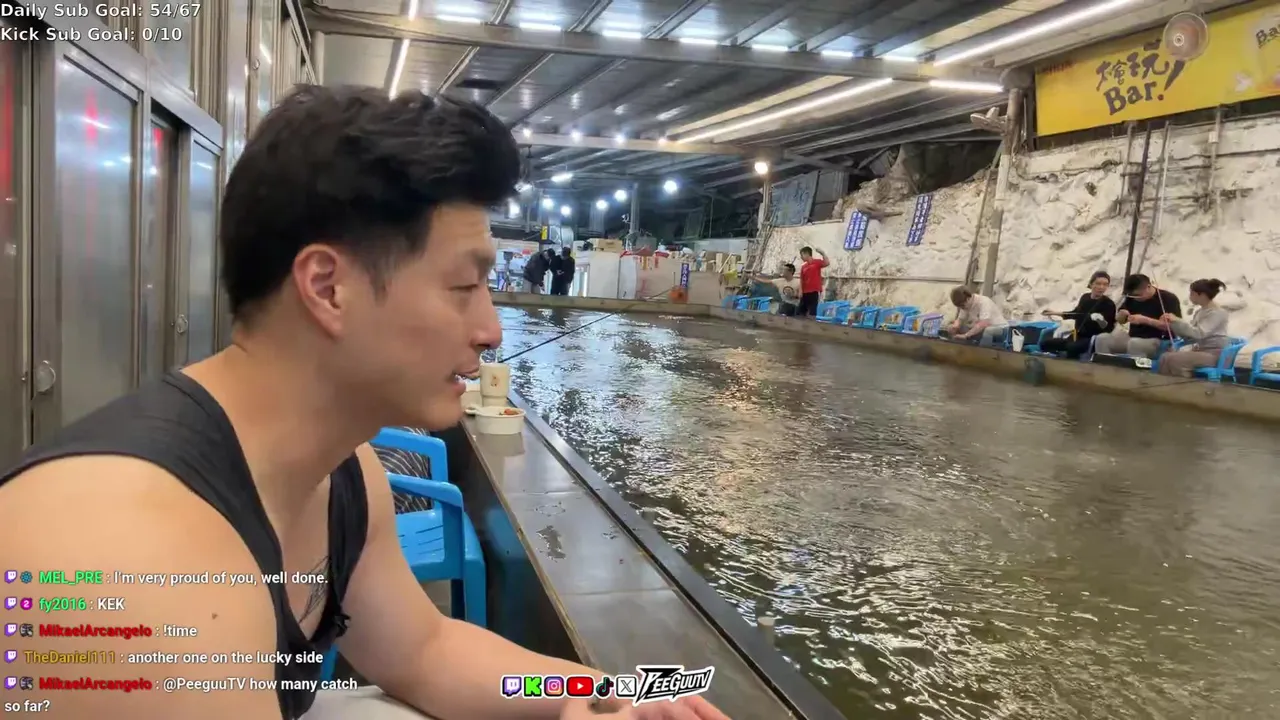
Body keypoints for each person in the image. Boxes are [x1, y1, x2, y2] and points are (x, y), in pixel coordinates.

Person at [0, 87, 729, 720]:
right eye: (463, 286)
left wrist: (609, 693)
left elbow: (426, 648)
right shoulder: (118, 562)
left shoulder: (344, 474)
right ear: (328, 288)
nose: (491, 329)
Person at [1157, 278, 1232, 377]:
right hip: (1202, 351)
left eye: (1192, 294)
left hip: (1216, 355)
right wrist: (1173, 324)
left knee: (1175, 360)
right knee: (1164, 357)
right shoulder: (1200, 312)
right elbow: (1190, 335)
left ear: (1202, 295)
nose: (1190, 297)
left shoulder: (1218, 313)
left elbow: (1199, 333)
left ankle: (1182, 384)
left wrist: (1177, 320)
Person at [1095, 273, 1181, 358]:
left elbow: (1174, 327)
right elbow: (1121, 320)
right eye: (1132, 295)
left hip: (1159, 341)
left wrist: (1145, 320)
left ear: (1148, 287)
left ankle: (1134, 366)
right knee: (1102, 339)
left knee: (1135, 343)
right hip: (1132, 337)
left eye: (1138, 295)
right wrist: (1121, 316)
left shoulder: (1168, 298)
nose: (1135, 298)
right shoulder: (1132, 297)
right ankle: (1104, 364)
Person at [1039, 271, 1117, 358]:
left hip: (1091, 340)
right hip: (1076, 336)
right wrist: (1053, 312)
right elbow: (1075, 313)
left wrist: (1100, 320)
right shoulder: (1085, 297)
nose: (1101, 287)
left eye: (1105, 284)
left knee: (1072, 348)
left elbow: (1108, 328)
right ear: (1091, 284)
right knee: (1045, 344)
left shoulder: (1108, 304)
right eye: (1098, 284)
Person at [941, 285, 1009, 347]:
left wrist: (966, 335)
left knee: (988, 331)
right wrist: (954, 327)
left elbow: (983, 324)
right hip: (981, 329)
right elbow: (960, 319)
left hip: (1000, 329)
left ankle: (983, 352)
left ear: (968, 299)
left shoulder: (984, 302)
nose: (962, 308)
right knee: (961, 328)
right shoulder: (965, 305)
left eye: (962, 306)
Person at [797, 246, 828, 317]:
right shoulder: (803, 266)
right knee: (800, 313)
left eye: (802, 255)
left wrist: (822, 253)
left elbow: (827, 263)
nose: (801, 257)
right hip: (805, 292)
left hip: (814, 291)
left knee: (812, 312)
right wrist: (800, 290)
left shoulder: (817, 262)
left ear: (807, 254)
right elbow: (801, 279)